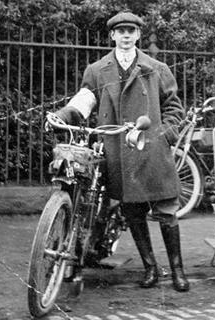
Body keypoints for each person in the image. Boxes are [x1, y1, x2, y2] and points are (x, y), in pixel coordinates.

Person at [49, 10, 189, 292]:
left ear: (138, 35)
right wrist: (63, 116)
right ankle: (150, 268)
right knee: (133, 213)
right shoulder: (97, 70)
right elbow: (84, 101)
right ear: (112, 35)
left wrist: (164, 135)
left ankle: (177, 271)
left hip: (151, 151)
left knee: (166, 212)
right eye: (120, 31)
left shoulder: (156, 68)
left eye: (131, 31)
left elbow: (174, 108)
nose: (126, 35)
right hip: (118, 154)